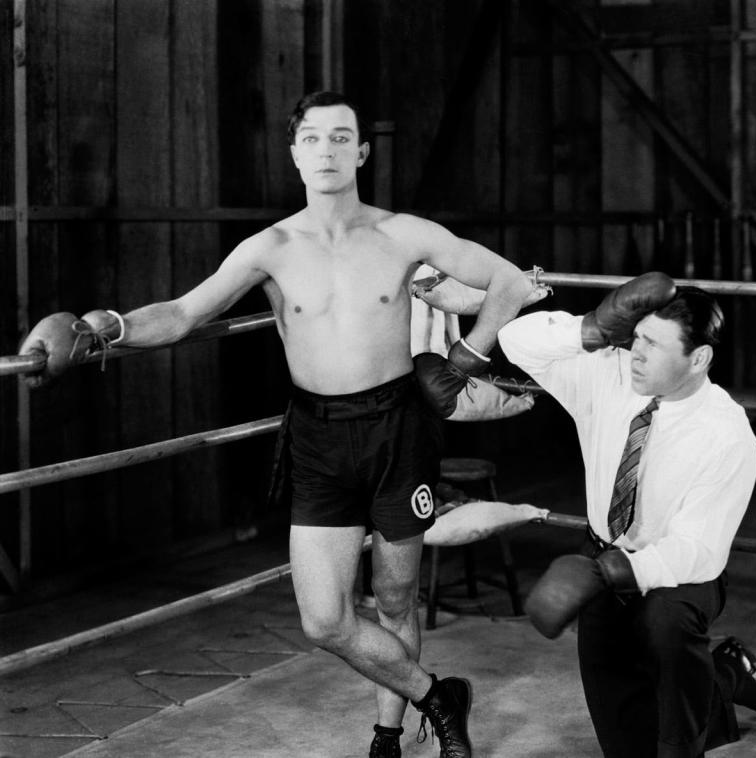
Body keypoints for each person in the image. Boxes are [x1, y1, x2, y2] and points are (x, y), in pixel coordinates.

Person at [19, 91, 535, 758]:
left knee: (395, 594)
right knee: (324, 620)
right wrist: (108, 328)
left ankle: (388, 733)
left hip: (399, 426)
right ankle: (435, 695)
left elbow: (509, 282)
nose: (327, 150)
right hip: (319, 435)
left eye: (341, 137)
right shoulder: (269, 247)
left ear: (362, 151)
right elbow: (181, 314)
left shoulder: (406, 233)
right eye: (313, 139)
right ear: (295, 154)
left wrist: (466, 357)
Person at [498, 278, 756, 757]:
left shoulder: (726, 434)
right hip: (602, 553)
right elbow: (514, 341)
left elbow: (698, 550)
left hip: (681, 577)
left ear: (698, 358)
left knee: (666, 635)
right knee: (626, 741)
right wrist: (589, 328)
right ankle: (729, 676)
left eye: (653, 344)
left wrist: (613, 572)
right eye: (635, 336)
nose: (635, 352)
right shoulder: (609, 372)